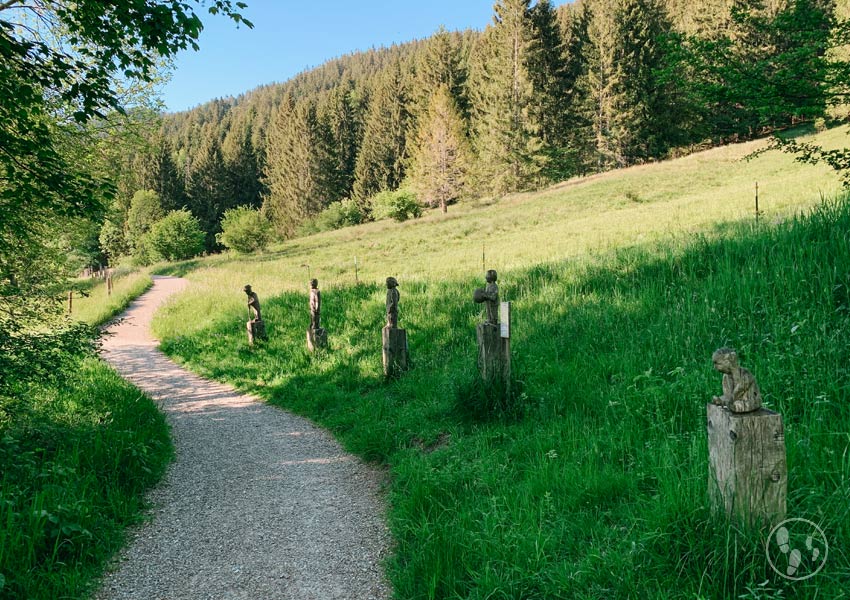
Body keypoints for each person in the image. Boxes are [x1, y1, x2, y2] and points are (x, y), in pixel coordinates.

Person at [711, 347, 762, 413]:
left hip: (749, 403)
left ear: (727, 362)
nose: (715, 367)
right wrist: (721, 400)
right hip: (735, 402)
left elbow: (736, 395)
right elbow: (728, 396)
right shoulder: (726, 377)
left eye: (717, 363)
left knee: (737, 405)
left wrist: (724, 401)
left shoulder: (746, 376)